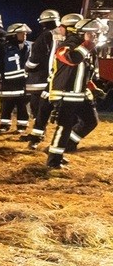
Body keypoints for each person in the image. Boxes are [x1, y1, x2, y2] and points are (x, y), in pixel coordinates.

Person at [45, 18, 103, 168]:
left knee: (91, 121)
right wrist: (87, 44)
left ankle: (64, 147)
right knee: (64, 126)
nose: (95, 37)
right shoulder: (68, 45)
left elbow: (84, 72)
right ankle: (53, 161)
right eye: (93, 34)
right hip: (65, 94)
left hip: (79, 94)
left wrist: (92, 87)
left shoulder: (89, 47)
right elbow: (72, 59)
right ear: (84, 33)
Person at [26, 13, 83, 149]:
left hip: (57, 82)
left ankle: (39, 141)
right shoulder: (80, 42)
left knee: (46, 111)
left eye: (62, 26)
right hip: (65, 83)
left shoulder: (64, 40)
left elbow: (36, 57)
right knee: (50, 112)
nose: (60, 29)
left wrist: (28, 68)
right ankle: (42, 139)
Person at [22, 9, 60, 127]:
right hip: (55, 76)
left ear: (43, 23)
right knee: (45, 107)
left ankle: (37, 132)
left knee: (36, 107)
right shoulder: (61, 35)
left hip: (39, 78)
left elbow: (36, 57)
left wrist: (27, 67)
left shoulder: (45, 35)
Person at [0, 23, 32, 133]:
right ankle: (4, 125)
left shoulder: (30, 46)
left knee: (23, 106)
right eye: (22, 33)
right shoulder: (4, 48)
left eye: (25, 33)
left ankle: (22, 127)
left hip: (24, 83)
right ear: (13, 34)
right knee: (7, 105)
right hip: (9, 83)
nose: (25, 35)